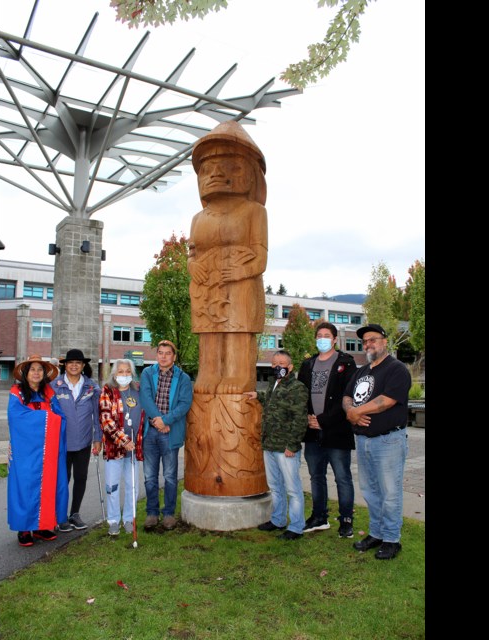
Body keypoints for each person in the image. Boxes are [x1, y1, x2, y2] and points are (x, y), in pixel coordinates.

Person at [187, 120, 268, 396]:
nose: (216, 174)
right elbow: (192, 253)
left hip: (240, 286)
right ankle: (209, 373)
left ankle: (238, 373)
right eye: (207, 169)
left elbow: (260, 257)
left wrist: (239, 273)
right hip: (205, 288)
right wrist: (193, 267)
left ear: (251, 175)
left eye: (230, 166)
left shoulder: (253, 211)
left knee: (237, 332)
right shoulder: (198, 218)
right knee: (209, 336)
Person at [343, 324, 412, 560]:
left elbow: (388, 400)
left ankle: (392, 539)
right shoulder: (362, 371)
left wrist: (355, 411)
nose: (368, 344)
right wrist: (350, 410)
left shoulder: (396, 369)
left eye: (373, 339)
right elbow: (347, 395)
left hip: (388, 441)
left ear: (385, 341)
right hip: (364, 441)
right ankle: (377, 533)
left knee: (390, 492)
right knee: (371, 491)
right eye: (365, 341)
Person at [297, 321, 357, 538]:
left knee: (342, 477)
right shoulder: (308, 365)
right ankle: (319, 517)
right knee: (316, 476)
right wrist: (308, 419)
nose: (322, 338)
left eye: (326, 335)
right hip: (312, 432)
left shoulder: (346, 363)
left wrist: (323, 420)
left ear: (334, 339)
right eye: (318, 335)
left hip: (337, 431)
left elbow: (347, 398)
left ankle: (346, 520)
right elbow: (301, 395)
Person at [245, 350, 309, 540]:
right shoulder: (274, 383)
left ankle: (296, 527)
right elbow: (273, 403)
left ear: (290, 367)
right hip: (270, 445)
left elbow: (300, 419)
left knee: (292, 489)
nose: (277, 367)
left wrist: (292, 445)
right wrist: (258, 395)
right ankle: (278, 519)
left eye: (281, 364)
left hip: (286, 448)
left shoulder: (297, 388)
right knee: (275, 486)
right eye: (274, 364)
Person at [6, 355, 68, 546]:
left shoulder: (48, 393)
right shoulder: (17, 393)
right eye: (32, 369)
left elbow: (60, 417)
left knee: (48, 485)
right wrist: (46, 417)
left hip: (47, 451)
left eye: (39, 370)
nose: (36, 373)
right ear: (25, 373)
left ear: (44, 374)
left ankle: (42, 526)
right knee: (25, 486)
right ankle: (24, 529)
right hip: (25, 451)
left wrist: (49, 418)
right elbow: (16, 418)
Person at [138, 340, 194, 530]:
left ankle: (169, 513)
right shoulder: (147, 373)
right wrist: (158, 421)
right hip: (150, 432)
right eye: (160, 353)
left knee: (170, 476)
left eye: (167, 353)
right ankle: (152, 513)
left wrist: (166, 421)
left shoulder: (183, 378)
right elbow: (145, 398)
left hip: (170, 433)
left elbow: (185, 404)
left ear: (174, 356)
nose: (163, 356)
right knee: (149, 476)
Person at [50, 348, 102, 532]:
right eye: (70, 362)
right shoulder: (53, 386)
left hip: (84, 442)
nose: (74, 365)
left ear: (83, 365)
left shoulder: (91, 387)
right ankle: (60, 516)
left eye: (78, 363)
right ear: (64, 365)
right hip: (60, 443)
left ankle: (75, 514)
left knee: (80, 478)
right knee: (62, 479)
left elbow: (98, 414)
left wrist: (98, 438)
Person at [97, 359, 145, 536]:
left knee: (133, 486)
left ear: (132, 374)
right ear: (114, 374)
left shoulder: (138, 390)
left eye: (127, 372)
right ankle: (113, 520)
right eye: (120, 371)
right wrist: (124, 440)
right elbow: (106, 420)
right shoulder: (107, 391)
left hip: (134, 447)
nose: (124, 375)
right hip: (115, 448)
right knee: (112, 486)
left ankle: (128, 519)